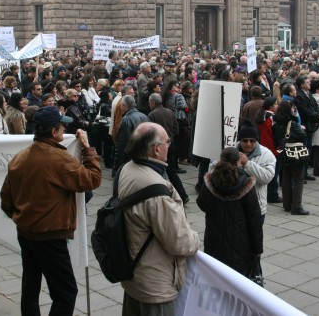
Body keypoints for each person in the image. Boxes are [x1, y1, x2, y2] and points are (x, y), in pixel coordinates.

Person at [0, 106, 102, 316]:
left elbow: (6, 200)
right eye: (62, 126)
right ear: (54, 132)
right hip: (49, 236)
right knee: (66, 292)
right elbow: (92, 179)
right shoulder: (58, 159)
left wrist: (24, 218)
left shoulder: (21, 156)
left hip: (27, 232)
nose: (65, 129)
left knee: (30, 285)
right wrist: (87, 148)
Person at [117, 122, 199, 315]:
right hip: (154, 283)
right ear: (156, 149)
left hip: (133, 274)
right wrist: (195, 237)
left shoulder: (127, 168)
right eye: (167, 142)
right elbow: (179, 242)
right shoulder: (156, 190)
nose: (169, 146)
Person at [197, 147, 263, 275]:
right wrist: (257, 248)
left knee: (215, 276)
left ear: (220, 161)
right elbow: (254, 219)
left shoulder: (210, 181)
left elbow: (202, 203)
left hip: (213, 240)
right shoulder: (246, 184)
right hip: (240, 243)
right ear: (238, 162)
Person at [148, 93, 189, 204]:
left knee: (160, 171)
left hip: (159, 147)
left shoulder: (152, 115)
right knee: (171, 171)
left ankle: (166, 195)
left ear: (152, 102)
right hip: (171, 144)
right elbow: (176, 130)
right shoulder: (170, 112)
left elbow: (150, 133)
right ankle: (183, 195)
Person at [273, 100, 309, 215]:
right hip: (295, 154)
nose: (294, 110)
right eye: (292, 108)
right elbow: (303, 136)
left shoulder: (276, 122)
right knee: (298, 179)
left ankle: (287, 204)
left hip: (283, 152)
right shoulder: (291, 123)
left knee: (286, 178)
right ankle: (296, 206)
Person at [237, 120, 276, 224]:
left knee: (254, 239)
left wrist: (247, 164)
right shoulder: (231, 151)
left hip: (256, 207)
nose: (248, 144)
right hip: (235, 206)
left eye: (252, 141)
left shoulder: (267, 154)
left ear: (257, 140)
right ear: (240, 140)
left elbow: (266, 178)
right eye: (245, 140)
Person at [112, 95, 149, 176]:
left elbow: (122, 145)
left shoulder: (126, 119)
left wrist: (116, 168)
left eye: (122, 106)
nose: (121, 108)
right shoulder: (144, 116)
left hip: (131, 159)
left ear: (125, 105)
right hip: (143, 156)